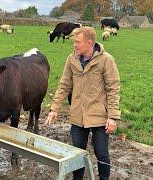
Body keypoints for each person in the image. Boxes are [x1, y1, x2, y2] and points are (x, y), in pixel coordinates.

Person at [45, 26, 121, 180]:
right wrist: (54, 109)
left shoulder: (106, 60)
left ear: (89, 43)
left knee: (101, 153)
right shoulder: (72, 59)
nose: (74, 45)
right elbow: (64, 85)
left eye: (78, 42)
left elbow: (113, 88)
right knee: (76, 153)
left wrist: (113, 116)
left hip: (99, 116)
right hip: (78, 115)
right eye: (74, 42)